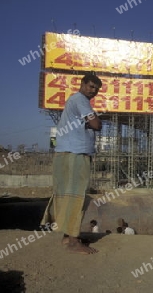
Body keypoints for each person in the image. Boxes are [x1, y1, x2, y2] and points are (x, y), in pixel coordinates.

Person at [40, 74, 102, 255]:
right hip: (76, 153)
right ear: (82, 84)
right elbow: (96, 124)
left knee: (67, 194)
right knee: (77, 196)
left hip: (66, 152)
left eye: (96, 88)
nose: (93, 91)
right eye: (91, 86)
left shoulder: (74, 100)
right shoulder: (81, 100)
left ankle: (68, 237)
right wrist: (97, 121)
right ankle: (73, 240)